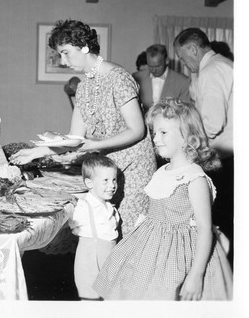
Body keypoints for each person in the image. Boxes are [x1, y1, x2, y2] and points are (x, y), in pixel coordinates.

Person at [10, 20, 156, 235]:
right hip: (107, 170)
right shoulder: (84, 87)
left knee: (129, 234)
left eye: (66, 52)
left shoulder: (119, 78)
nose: (63, 60)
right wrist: (37, 152)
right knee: (107, 231)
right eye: (60, 54)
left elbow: (137, 130)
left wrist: (95, 144)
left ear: (85, 47)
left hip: (135, 168)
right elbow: (74, 138)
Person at [93, 99, 233, 300]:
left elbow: (204, 228)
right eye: (154, 132)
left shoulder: (195, 178)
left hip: (182, 257)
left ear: (188, 137)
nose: (156, 138)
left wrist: (195, 275)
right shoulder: (161, 172)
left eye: (163, 132)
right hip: (152, 252)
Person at [173, 28, 233, 263]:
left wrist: (185, 143)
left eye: (181, 57)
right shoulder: (222, 64)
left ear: (193, 49)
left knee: (219, 222)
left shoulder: (212, 70)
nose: (183, 63)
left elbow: (211, 124)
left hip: (224, 160)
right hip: (230, 158)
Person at [68, 153, 120, 300]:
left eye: (114, 180)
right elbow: (75, 226)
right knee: (90, 296)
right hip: (90, 258)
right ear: (90, 183)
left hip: (108, 255)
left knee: (109, 295)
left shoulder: (110, 207)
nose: (112, 185)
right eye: (105, 181)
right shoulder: (85, 206)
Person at [133, 44, 190, 113]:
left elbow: (185, 111)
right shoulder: (137, 78)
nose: (153, 70)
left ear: (167, 61)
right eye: (150, 66)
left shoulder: (183, 82)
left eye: (157, 66)